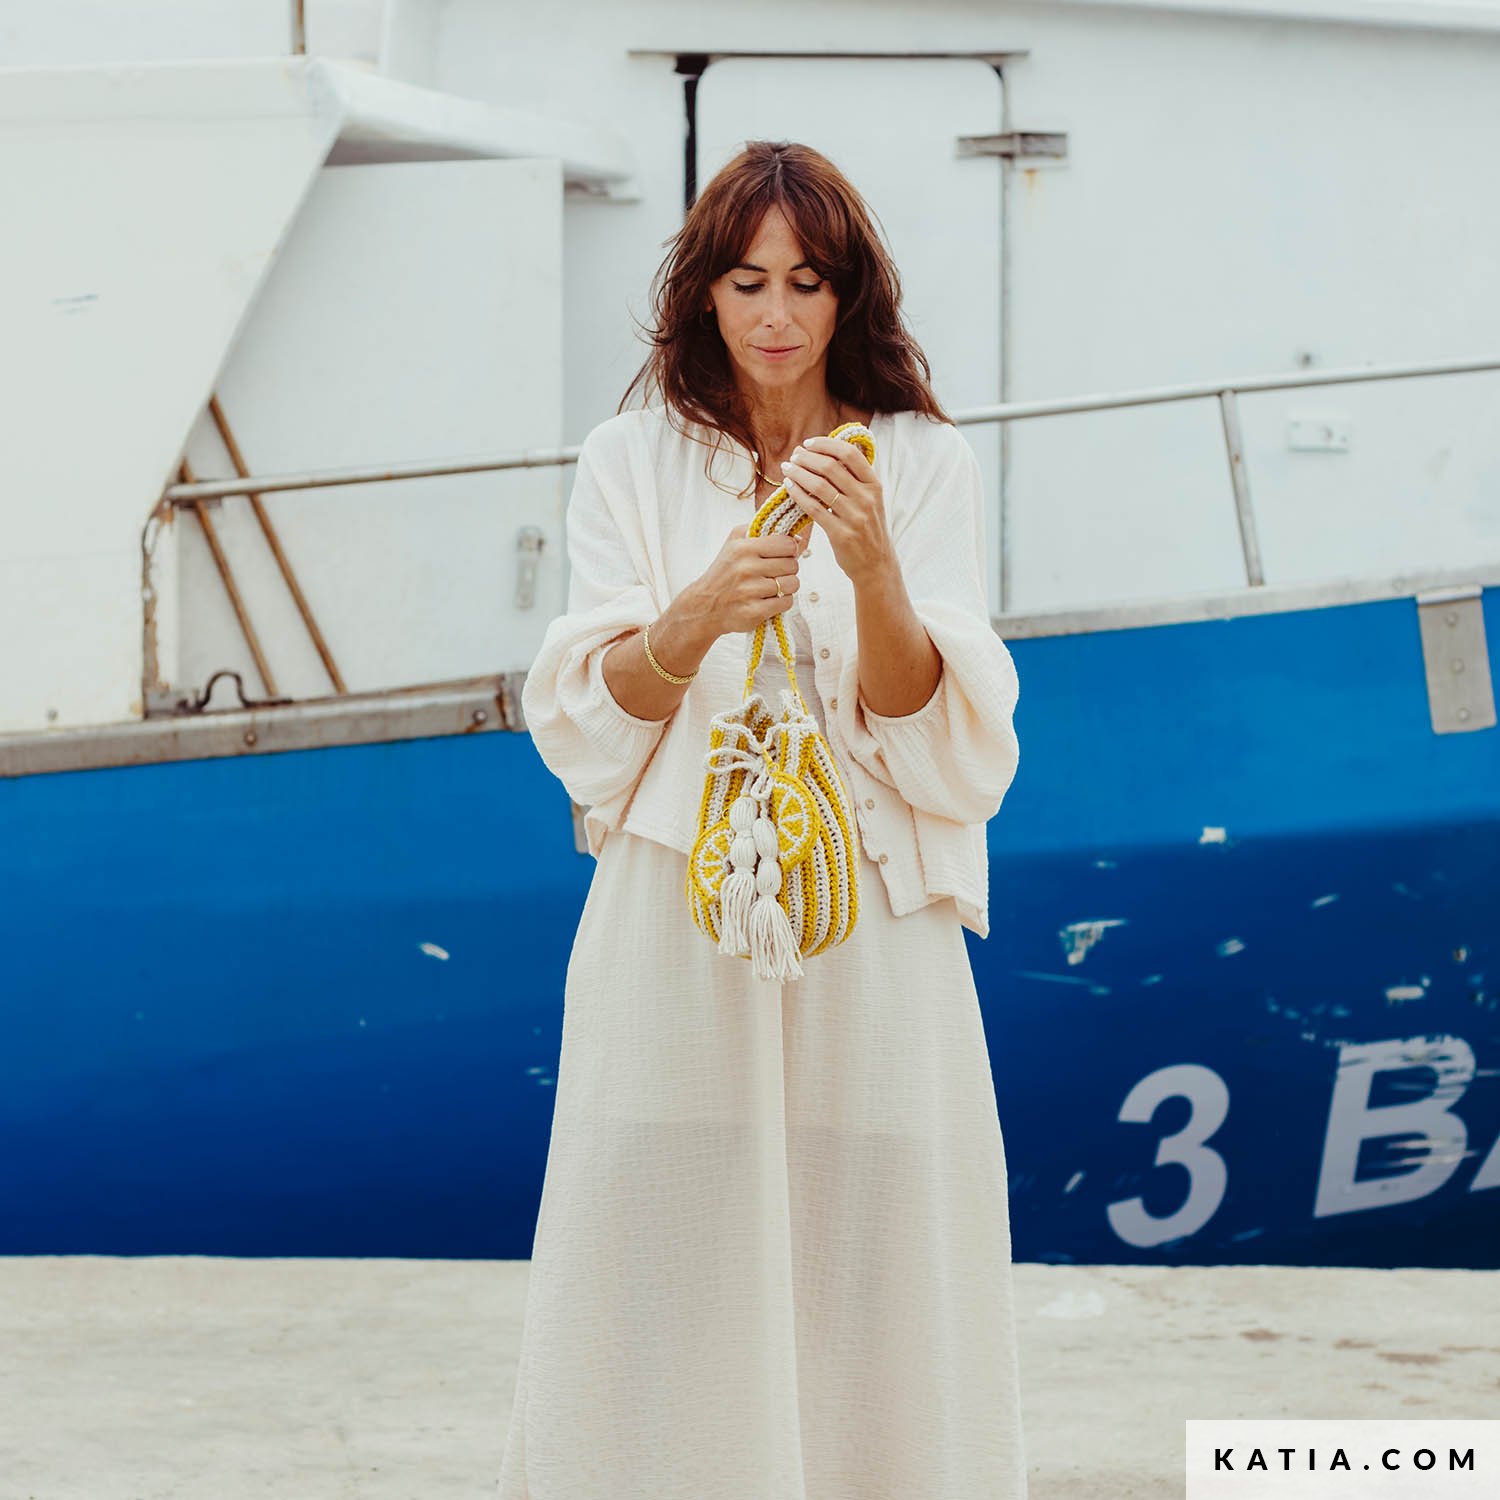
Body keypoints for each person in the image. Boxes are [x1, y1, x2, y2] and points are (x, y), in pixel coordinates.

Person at [499, 140, 1027, 1500]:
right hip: (678, 912)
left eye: (807, 282)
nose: (778, 315)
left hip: (870, 918)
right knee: (658, 1245)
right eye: (748, 282)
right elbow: (588, 728)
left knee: (879, 1251)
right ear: (704, 294)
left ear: (850, 294)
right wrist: (696, 615)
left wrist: (874, 569)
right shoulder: (628, 459)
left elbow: (936, 736)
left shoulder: (922, 460)